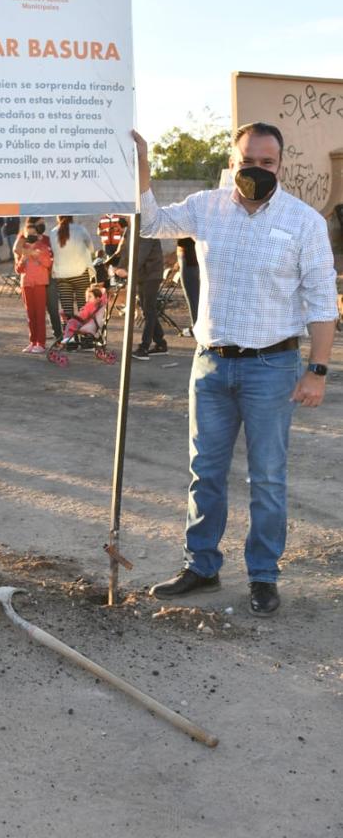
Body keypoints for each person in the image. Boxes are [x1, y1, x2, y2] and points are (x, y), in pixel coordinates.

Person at [133, 123, 337, 616]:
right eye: (248, 160)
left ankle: (263, 576)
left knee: (266, 478)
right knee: (204, 473)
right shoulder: (206, 207)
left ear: (280, 165)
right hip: (211, 366)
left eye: (267, 162)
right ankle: (201, 566)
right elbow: (151, 223)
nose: (257, 169)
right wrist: (141, 164)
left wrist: (318, 369)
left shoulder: (304, 221)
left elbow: (320, 301)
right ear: (233, 162)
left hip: (272, 366)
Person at [114, 225, 166, 360]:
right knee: (146, 308)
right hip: (142, 275)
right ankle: (160, 343)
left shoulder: (146, 227)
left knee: (148, 309)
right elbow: (125, 251)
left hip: (152, 274)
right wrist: (118, 266)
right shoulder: (131, 228)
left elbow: (141, 254)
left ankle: (144, 347)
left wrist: (127, 270)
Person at [13, 218, 53, 352]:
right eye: (28, 234)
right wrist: (23, 259)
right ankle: (33, 341)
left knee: (40, 314)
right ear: (24, 235)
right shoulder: (22, 249)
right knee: (30, 315)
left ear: (37, 234)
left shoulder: (43, 247)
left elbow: (48, 264)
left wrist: (37, 256)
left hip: (39, 284)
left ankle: (41, 343)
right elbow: (18, 270)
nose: (31, 236)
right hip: (26, 284)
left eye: (33, 233)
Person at [49, 215, 95, 322]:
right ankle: (84, 331)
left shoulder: (53, 232)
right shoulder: (81, 230)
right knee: (83, 309)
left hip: (62, 275)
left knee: (67, 312)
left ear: (58, 218)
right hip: (81, 273)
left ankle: (68, 331)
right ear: (71, 217)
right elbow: (91, 249)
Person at [176, 237, 199, 335]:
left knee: (192, 295)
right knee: (192, 295)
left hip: (189, 257)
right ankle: (195, 324)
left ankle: (196, 326)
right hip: (187, 256)